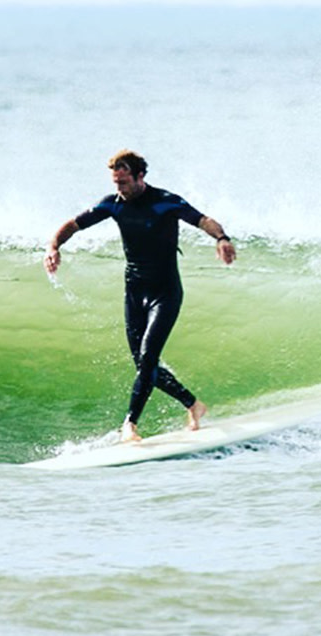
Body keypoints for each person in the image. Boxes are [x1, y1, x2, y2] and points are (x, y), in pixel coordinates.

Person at [44, 149, 236, 443]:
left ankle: (130, 425)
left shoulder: (165, 202)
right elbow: (73, 225)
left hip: (165, 291)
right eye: (115, 183)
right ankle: (194, 405)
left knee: (148, 358)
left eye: (123, 182)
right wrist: (53, 246)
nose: (119, 189)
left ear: (140, 177)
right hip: (134, 291)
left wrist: (221, 239)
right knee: (144, 364)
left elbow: (202, 219)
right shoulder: (114, 205)